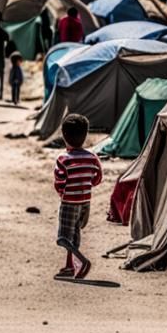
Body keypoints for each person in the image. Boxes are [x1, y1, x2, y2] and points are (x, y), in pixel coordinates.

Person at [53, 114, 103, 280]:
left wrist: (63, 193)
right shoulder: (92, 157)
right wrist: (86, 185)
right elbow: (98, 177)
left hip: (69, 202)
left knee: (63, 238)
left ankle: (82, 261)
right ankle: (70, 266)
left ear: (64, 135)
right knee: (75, 235)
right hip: (85, 202)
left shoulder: (63, 159)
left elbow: (59, 182)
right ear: (85, 134)